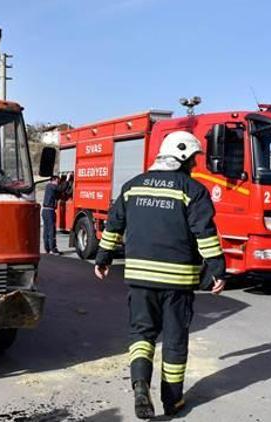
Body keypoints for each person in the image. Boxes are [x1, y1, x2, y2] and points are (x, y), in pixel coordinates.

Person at [93, 130, 227, 419]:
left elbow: (113, 226)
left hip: (140, 277)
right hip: (178, 281)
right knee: (175, 339)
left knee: (141, 334)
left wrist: (103, 257)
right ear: (182, 157)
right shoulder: (192, 190)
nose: (194, 164)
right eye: (192, 159)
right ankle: (172, 400)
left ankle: (140, 384)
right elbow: (205, 234)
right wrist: (217, 269)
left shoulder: (132, 187)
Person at [42, 175, 62, 255]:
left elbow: (57, 195)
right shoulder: (51, 186)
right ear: (53, 180)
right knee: (51, 231)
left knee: (46, 230)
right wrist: (67, 180)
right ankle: (53, 249)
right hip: (49, 211)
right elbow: (61, 188)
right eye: (57, 181)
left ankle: (47, 249)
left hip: (45, 211)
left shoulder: (49, 188)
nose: (57, 184)